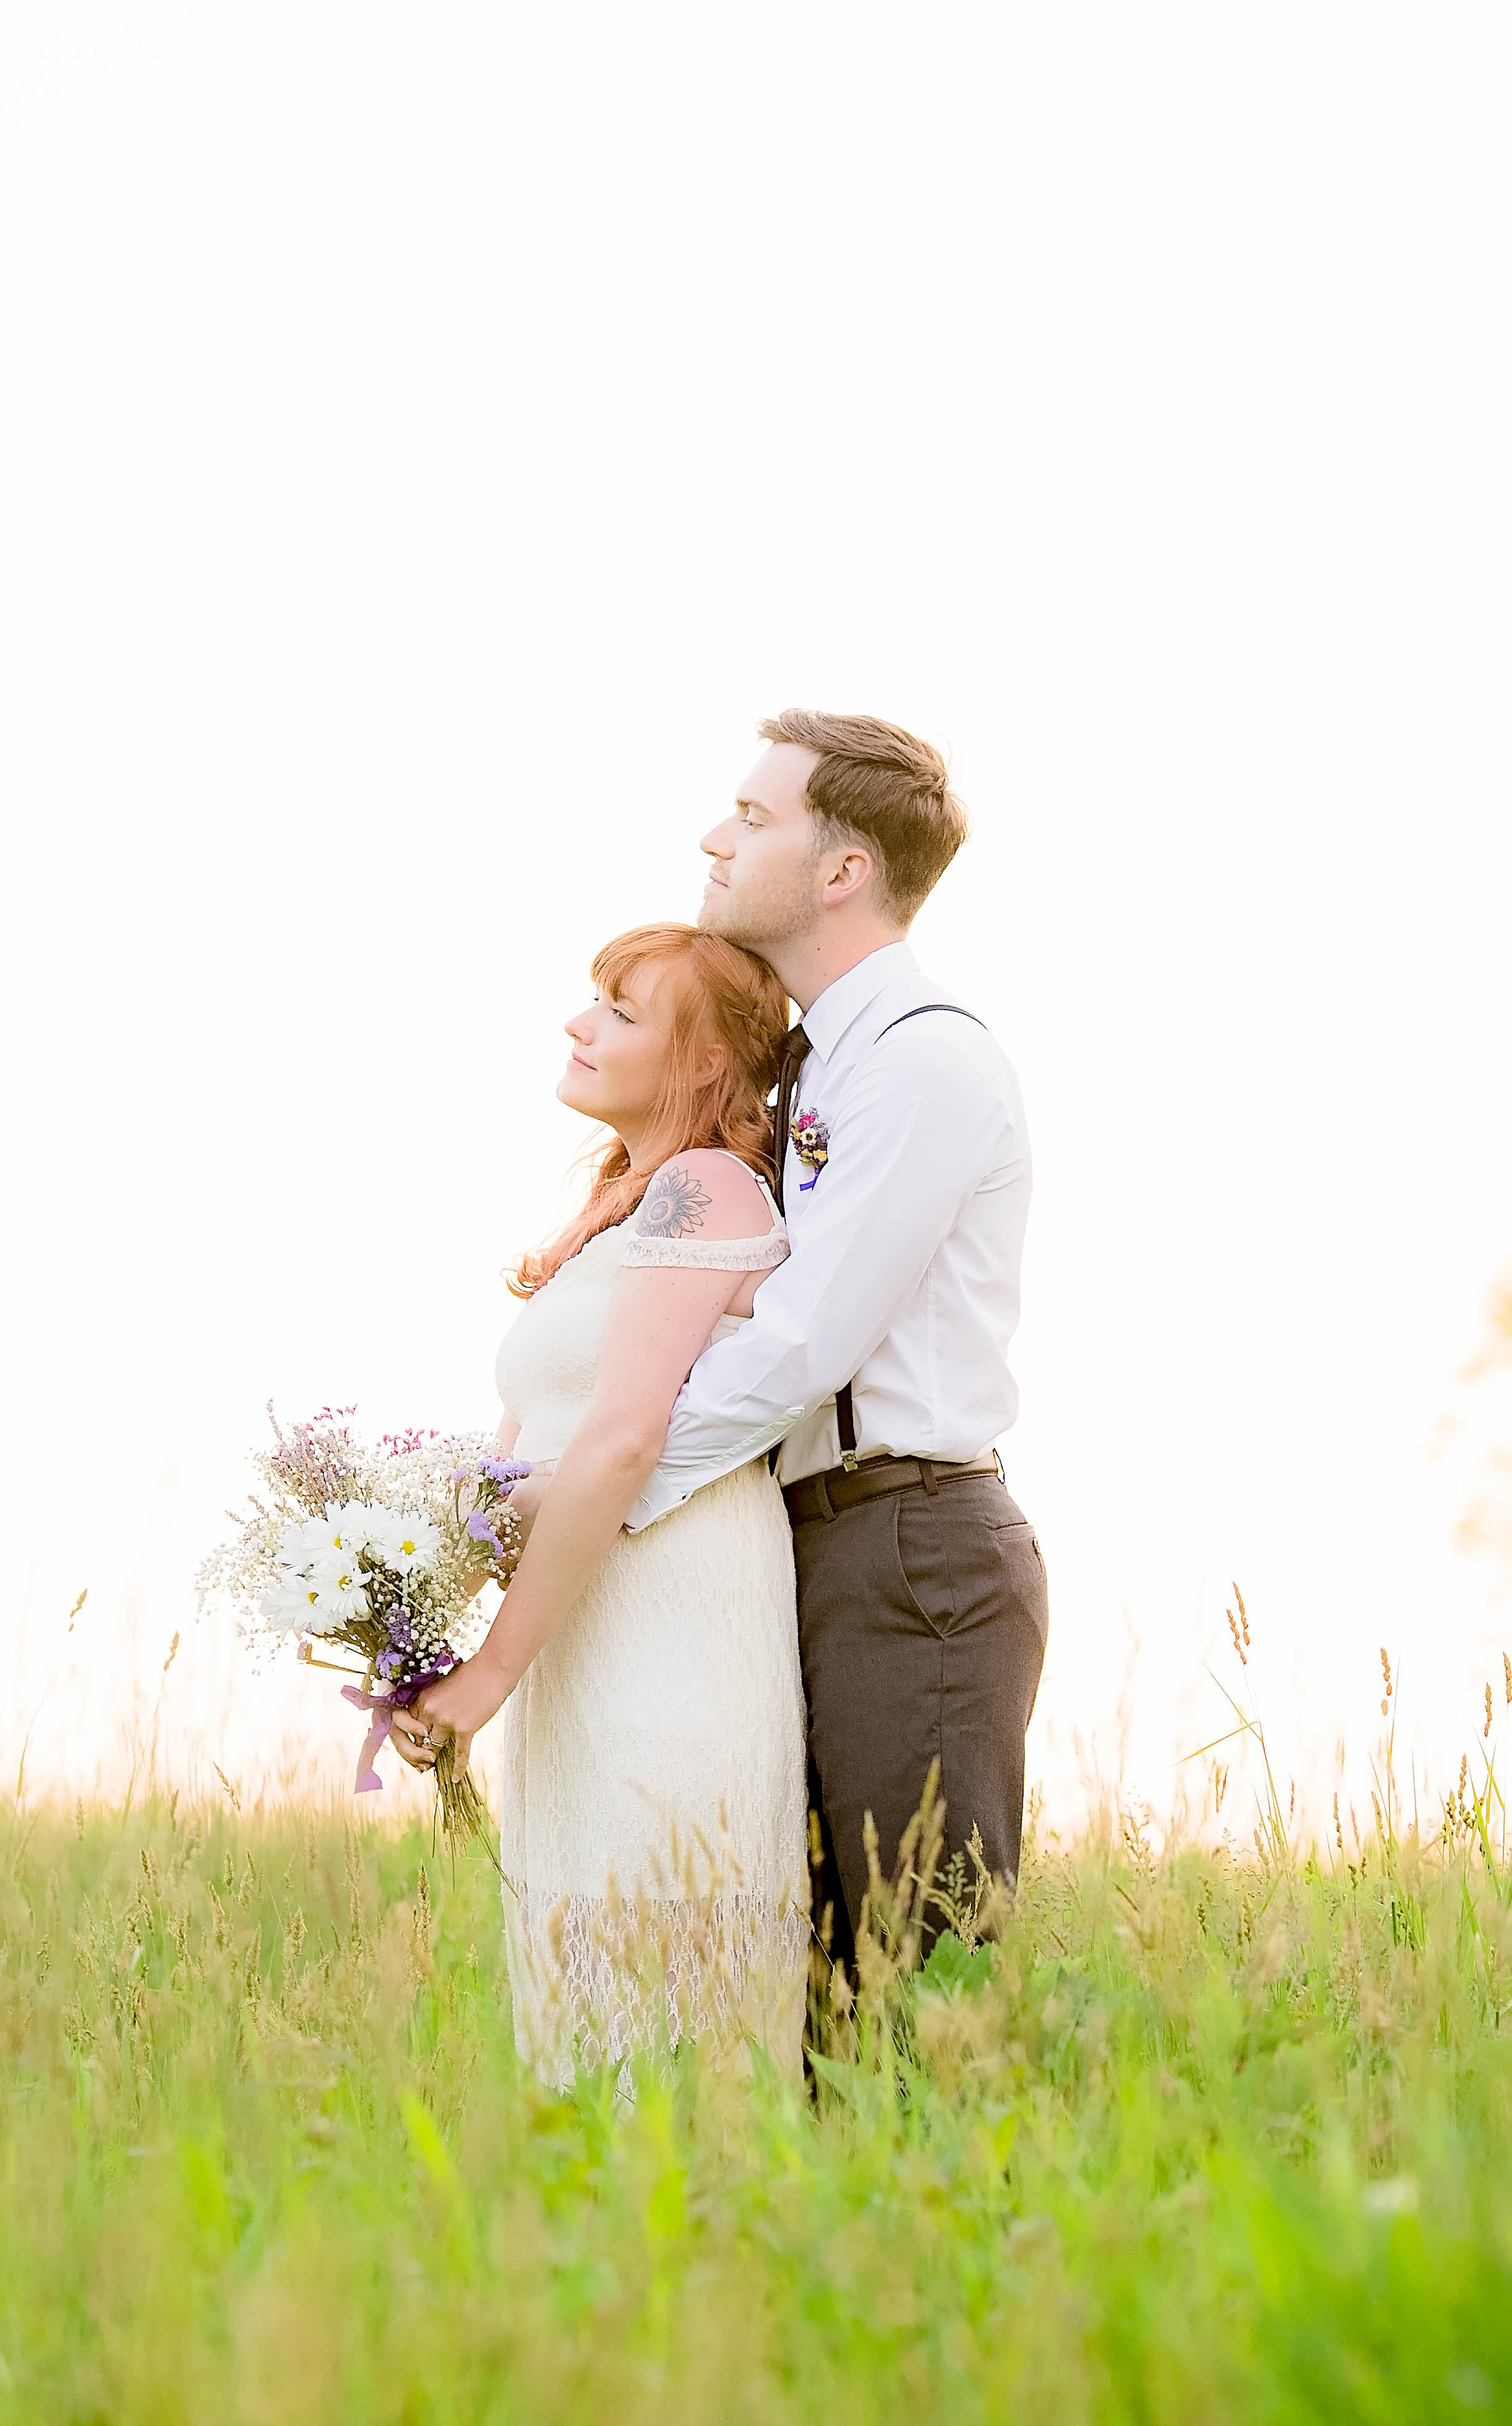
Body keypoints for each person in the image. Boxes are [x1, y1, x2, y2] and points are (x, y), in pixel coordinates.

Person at [630, 711, 1047, 1977]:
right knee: (810, 2004)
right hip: (807, 1547)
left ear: (843, 869)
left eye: (753, 817)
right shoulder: (816, 1068)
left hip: (910, 1555)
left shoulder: (923, 1065)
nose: (716, 835)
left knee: (918, 1991)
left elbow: (804, 1345)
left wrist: (615, 1485)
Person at [393, 923, 807, 2081]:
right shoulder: (624, 1210)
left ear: (709, 1064)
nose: (583, 1026)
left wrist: (487, 1675)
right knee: (581, 2030)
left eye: (624, 1012)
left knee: (671, 2026)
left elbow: (625, 1440)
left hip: (672, 1629)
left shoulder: (707, 1187)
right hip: (582, 1636)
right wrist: (397, 1594)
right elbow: (524, 1470)